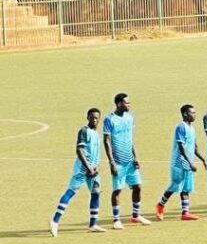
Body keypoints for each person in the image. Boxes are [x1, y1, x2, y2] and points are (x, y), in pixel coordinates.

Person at [50, 108, 105, 236]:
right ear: (87, 118)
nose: (94, 120)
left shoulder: (96, 133)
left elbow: (95, 153)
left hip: (93, 171)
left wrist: (96, 167)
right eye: (92, 117)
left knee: (96, 193)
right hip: (82, 169)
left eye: (97, 118)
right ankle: (55, 221)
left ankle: (93, 224)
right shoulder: (84, 131)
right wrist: (88, 167)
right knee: (71, 192)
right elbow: (79, 150)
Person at [103, 92, 150, 228]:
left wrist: (135, 157)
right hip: (118, 162)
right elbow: (106, 141)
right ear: (119, 104)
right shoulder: (109, 120)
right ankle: (116, 220)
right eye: (126, 102)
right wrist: (112, 162)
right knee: (117, 190)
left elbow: (130, 138)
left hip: (130, 161)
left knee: (137, 187)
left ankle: (136, 215)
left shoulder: (130, 118)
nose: (129, 104)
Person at [155, 104, 207, 221]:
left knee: (186, 188)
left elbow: (194, 147)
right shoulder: (181, 127)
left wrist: (202, 159)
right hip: (179, 163)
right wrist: (190, 163)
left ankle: (185, 213)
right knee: (175, 185)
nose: (194, 115)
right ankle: (160, 205)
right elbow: (181, 147)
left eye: (194, 113)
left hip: (188, 163)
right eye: (192, 113)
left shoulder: (192, 128)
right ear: (185, 114)